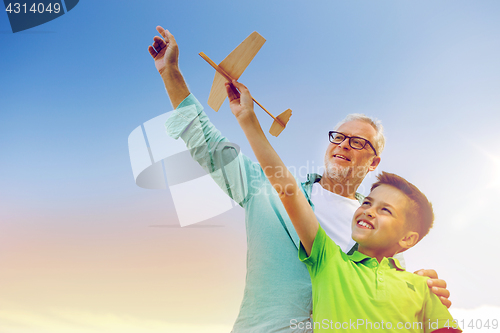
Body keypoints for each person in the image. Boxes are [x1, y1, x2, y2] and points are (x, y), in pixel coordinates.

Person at [148, 26, 451, 332]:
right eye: (339, 137)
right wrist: (170, 72)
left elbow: (392, 300)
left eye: (358, 142)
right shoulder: (264, 189)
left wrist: (424, 288)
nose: (344, 144)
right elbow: (207, 144)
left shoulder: (377, 229)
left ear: (374, 162)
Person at [224, 79, 461, 332]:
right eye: (368, 202)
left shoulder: (416, 285)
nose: (369, 210)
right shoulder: (329, 260)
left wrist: (418, 286)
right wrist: (248, 119)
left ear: (406, 239)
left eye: (385, 210)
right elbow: (288, 191)